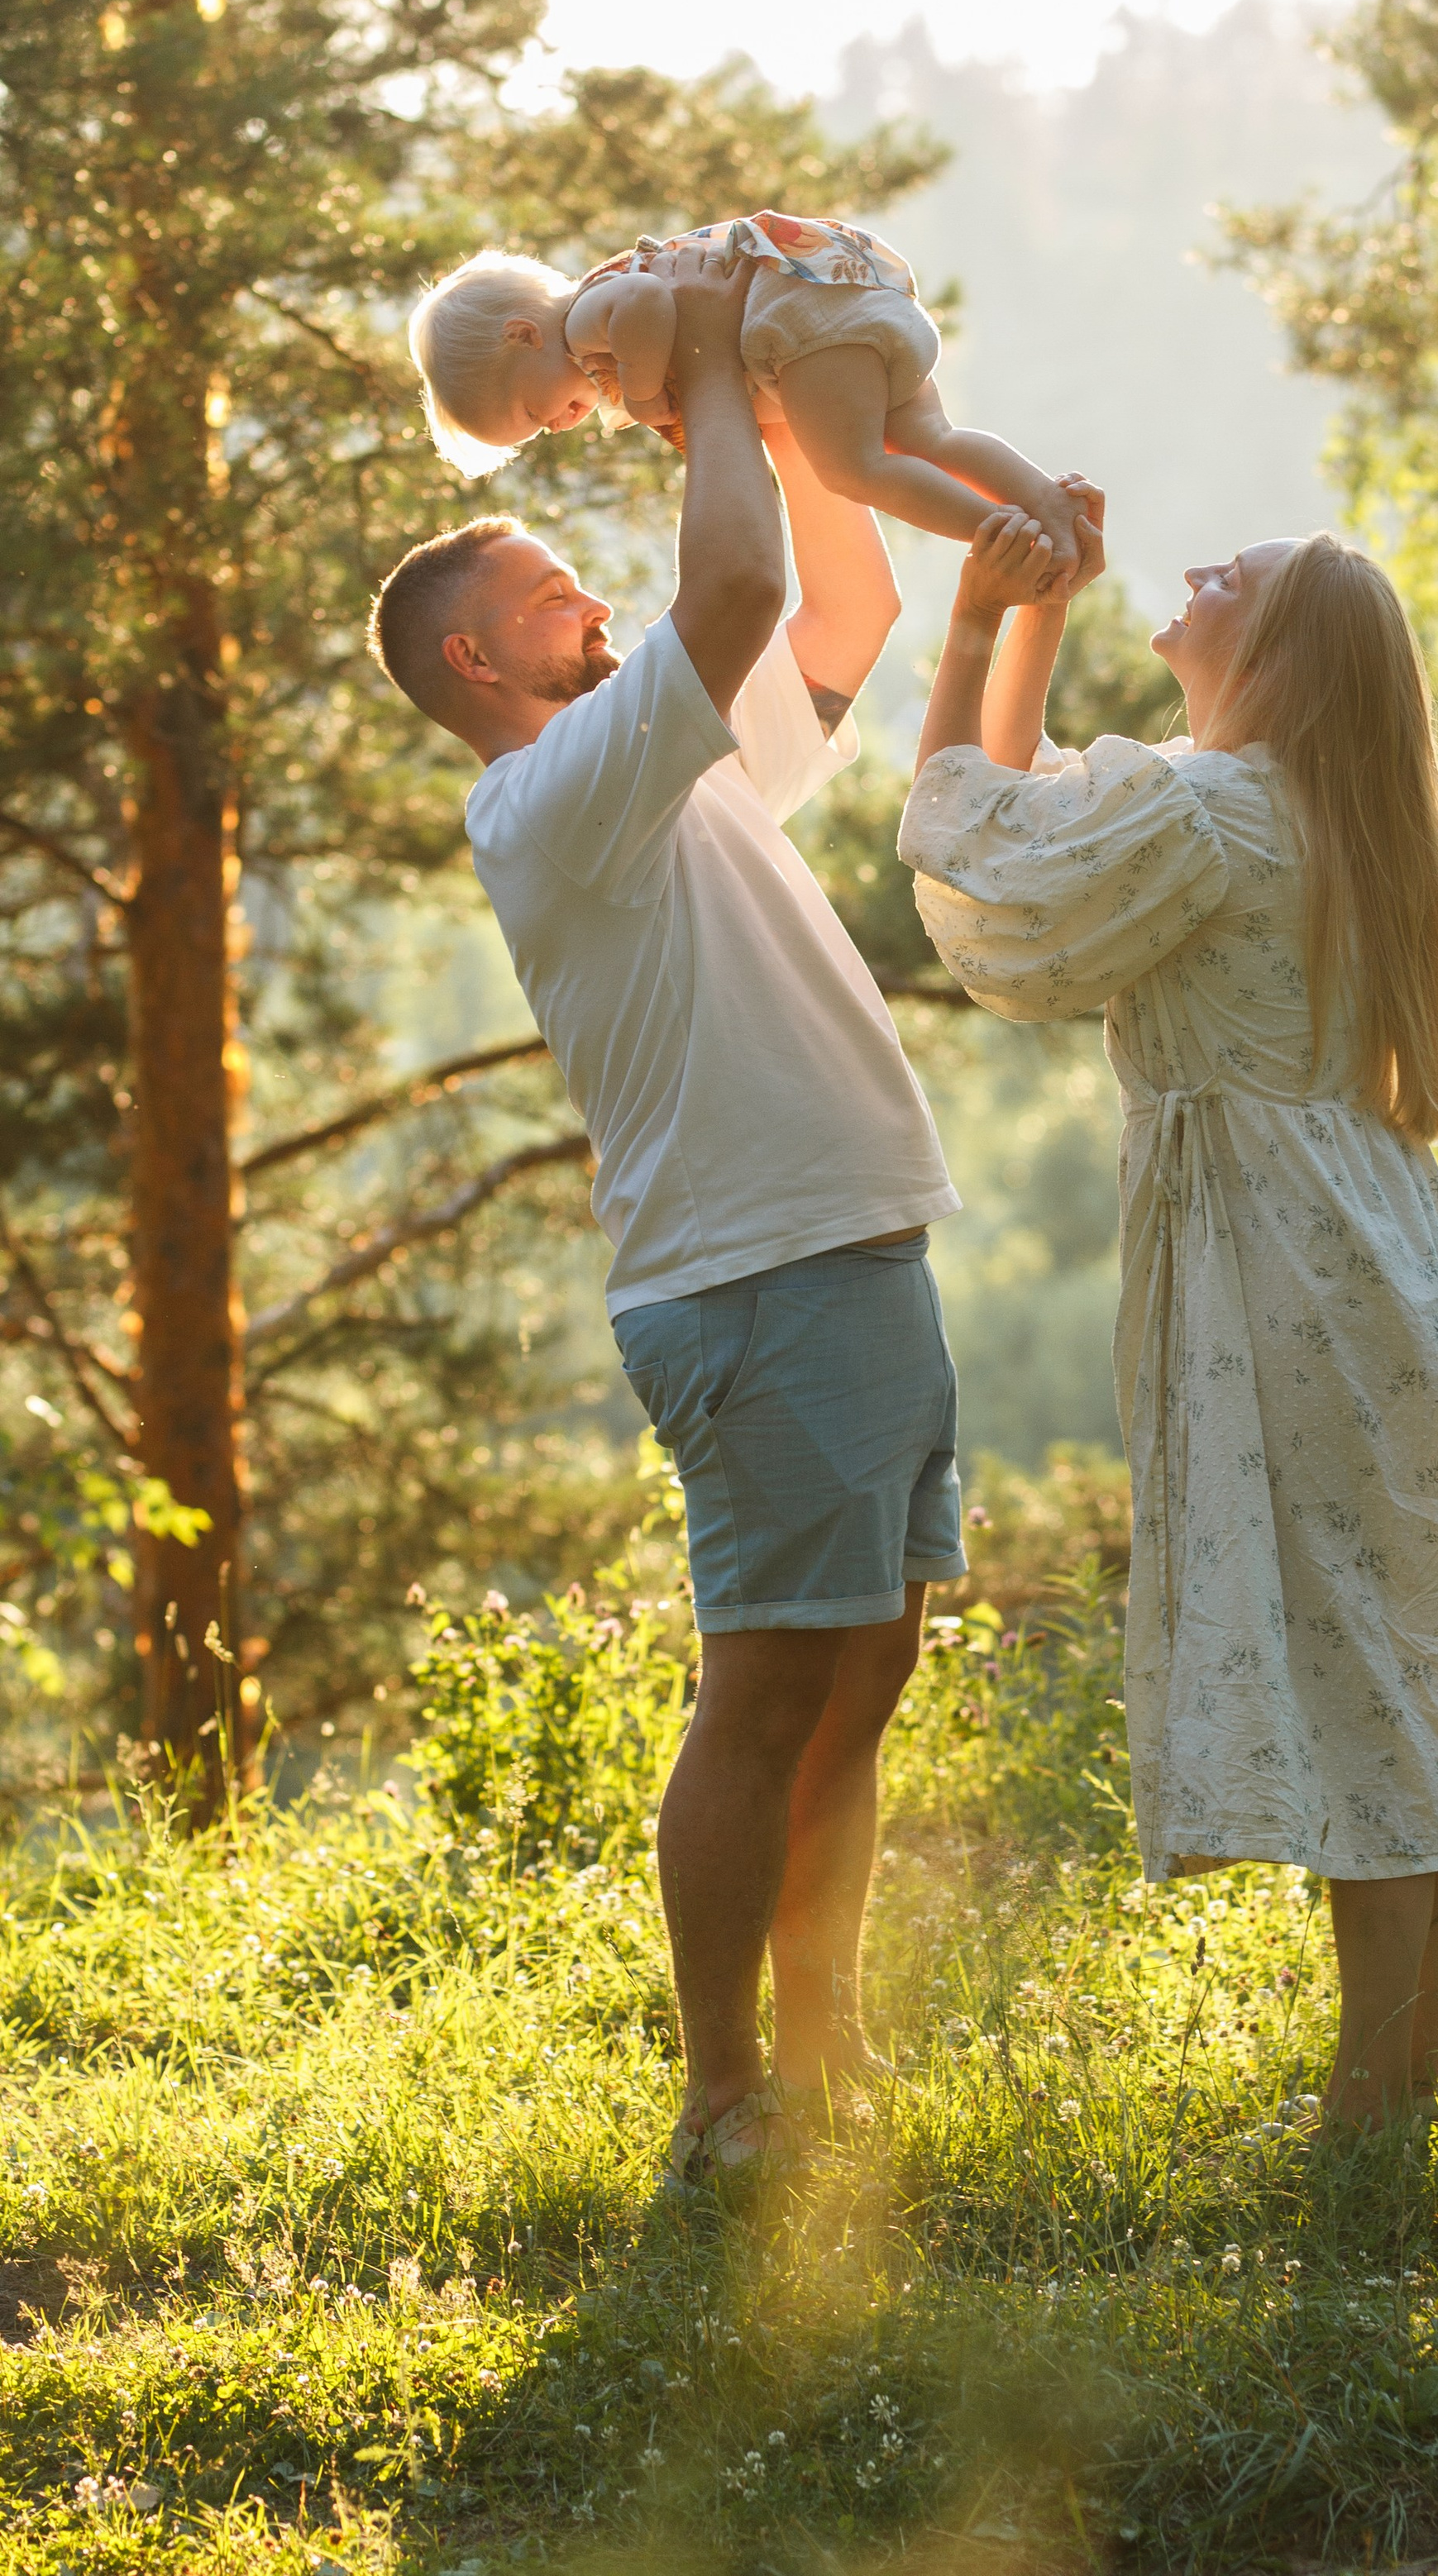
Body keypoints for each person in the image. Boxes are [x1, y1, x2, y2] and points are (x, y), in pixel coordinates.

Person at [367, 243, 975, 2179]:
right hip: (749, 1275)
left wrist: (800, 414)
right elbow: (721, 591)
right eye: (553, 597)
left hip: (848, 1244)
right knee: (766, 1682)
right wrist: (704, 355)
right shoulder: (548, 801)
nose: (594, 598)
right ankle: (726, 2094)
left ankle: (824, 2047)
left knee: (862, 1667)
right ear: (480, 664)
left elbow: (835, 597)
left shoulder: (674, 767)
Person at [899, 515, 1438, 2135]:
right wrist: (1032, 617)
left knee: (1356, 1673)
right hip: (1371, 1245)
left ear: (1286, 657)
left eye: (1241, 574)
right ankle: (1388, 2090)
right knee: (1392, 1666)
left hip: (1279, 1263)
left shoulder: (1210, 812)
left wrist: (970, 631)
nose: (1204, 566)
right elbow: (1034, 818)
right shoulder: (1281, 808)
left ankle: (1370, 2121)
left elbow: (976, 853)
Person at [405, 210, 1095, 581]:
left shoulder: (585, 320)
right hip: (850, 300)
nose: (554, 428)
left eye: (533, 413)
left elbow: (648, 301)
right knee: (927, 441)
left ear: (524, 335)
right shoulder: (586, 333)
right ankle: (1043, 502)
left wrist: (645, 395)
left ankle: (1010, 541)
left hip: (800, 320)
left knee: (852, 469)